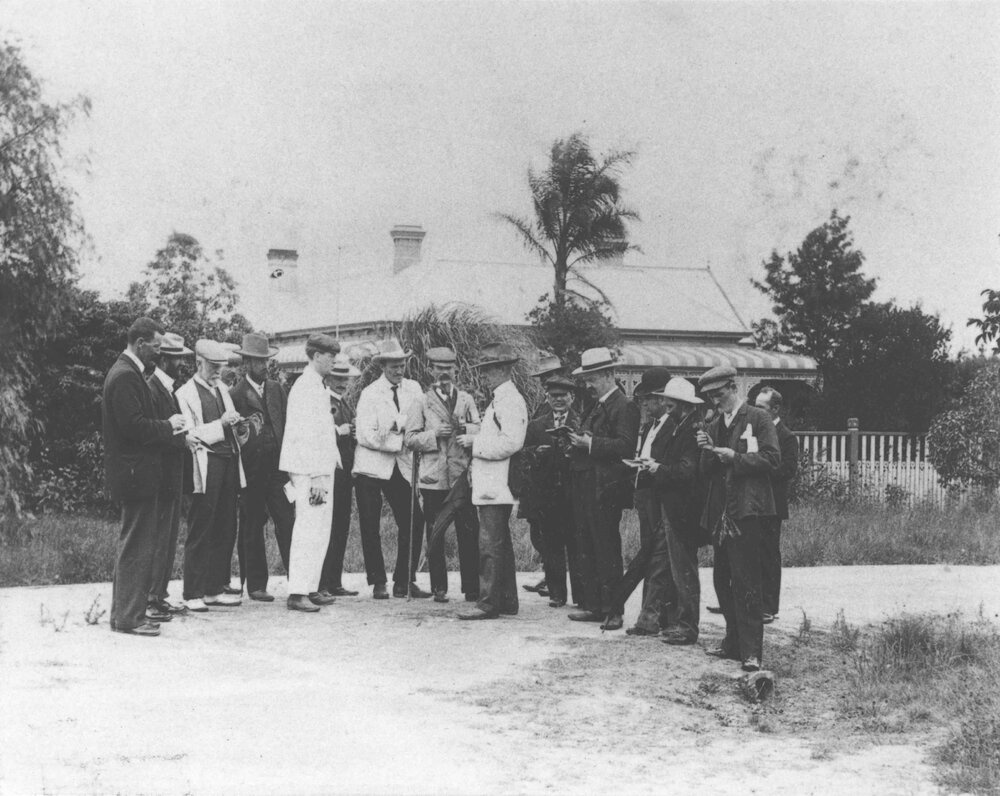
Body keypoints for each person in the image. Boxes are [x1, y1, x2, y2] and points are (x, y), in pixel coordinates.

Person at [103, 317, 188, 636]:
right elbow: (133, 427)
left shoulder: (127, 372)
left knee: (134, 544)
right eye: (156, 345)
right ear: (140, 344)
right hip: (136, 475)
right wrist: (170, 426)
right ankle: (129, 617)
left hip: (136, 473)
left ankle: (123, 614)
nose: (159, 351)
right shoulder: (126, 375)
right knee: (136, 546)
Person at [696, 366, 780, 673]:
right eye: (711, 398)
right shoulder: (716, 423)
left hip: (748, 510)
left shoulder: (759, 418)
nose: (716, 403)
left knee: (747, 581)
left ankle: (751, 651)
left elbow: (773, 459)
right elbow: (707, 471)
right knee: (722, 579)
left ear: (733, 388)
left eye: (719, 395)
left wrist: (737, 459)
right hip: (722, 512)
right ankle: (732, 641)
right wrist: (705, 450)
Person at [566, 347, 640, 631]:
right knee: (588, 546)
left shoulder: (625, 406)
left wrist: (590, 443)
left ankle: (614, 609)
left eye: (592, 378)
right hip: (587, 485)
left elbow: (625, 446)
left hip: (606, 489)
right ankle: (596, 605)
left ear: (609, 374)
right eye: (586, 379)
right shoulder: (597, 406)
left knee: (607, 548)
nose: (588, 385)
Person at [353, 338, 430, 599]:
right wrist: (399, 436)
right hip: (371, 469)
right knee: (370, 524)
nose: (399, 371)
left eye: (402, 365)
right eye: (394, 366)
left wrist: (399, 427)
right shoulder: (370, 393)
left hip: (401, 466)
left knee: (413, 519)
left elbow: (419, 421)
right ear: (383, 366)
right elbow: (366, 436)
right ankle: (378, 581)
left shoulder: (415, 389)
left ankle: (404, 580)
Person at [404, 347, 482, 603]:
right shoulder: (421, 402)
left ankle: (472, 587)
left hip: (461, 477)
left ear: (456, 370)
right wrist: (434, 436)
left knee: (468, 533)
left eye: (448, 368)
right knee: (435, 533)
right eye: (439, 368)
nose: (444, 373)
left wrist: (465, 428)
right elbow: (410, 439)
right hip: (433, 478)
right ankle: (439, 587)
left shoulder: (466, 399)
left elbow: (480, 429)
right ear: (430, 371)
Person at [457, 343, 528, 620]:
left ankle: (488, 603)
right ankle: (507, 601)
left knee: (490, 544)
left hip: (496, 484)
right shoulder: (501, 398)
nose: (483, 375)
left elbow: (512, 442)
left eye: (487, 370)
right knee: (500, 544)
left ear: (502, 369)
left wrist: (474, 442)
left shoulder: (508, 399)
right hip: (493, 484)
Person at [176, 340, 247, 612]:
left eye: (220, 367)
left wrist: (236, 421)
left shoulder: (223, 390)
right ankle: (193, 590)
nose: (217, 372)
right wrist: (222, 423)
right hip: (206, 464)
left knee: (226, 525)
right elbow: (190, 434)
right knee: (201, 526)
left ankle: (214, 588)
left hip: (228, 460)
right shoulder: (185, 393)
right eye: (213, 367)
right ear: (199, 364)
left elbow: (228, 423)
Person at [279, 333, 342, 612]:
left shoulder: (317, 385)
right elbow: (304, 436)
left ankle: (311, 586)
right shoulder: (305, 387)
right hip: (309, 470)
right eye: (330, 356)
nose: (334, 361)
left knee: (319, 531)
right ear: (317, 356)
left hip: (321, 469)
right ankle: (297, 591)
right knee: (307, 529)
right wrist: (316, 475)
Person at [229, 332, 294, 603]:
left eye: (265, 360)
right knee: (252, 525)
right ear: (246, 363)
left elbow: (287, 425)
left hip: (278, 469)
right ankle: (256, 584)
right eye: (257, 361)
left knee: (288, 522)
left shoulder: (277, 389)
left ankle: (299, 580)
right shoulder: (235, 394)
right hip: (252, 471)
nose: (263, 365)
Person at [145, 332, 196, 622]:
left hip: (172, 474)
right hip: (162, 475)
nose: (181, 364)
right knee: (159, 536)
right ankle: (151, 597)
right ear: (164, 359)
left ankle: (159, 594)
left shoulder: (167, 389)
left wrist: (184, 439)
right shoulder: (154, 389)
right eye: (177, 359)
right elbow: (157, 433)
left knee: (168, 537)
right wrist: (181, 440)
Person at [520, 374, 582, 608]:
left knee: (576, 546)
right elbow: (523, 455)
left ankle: (580, 594)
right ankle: (557, 593)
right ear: (547, 398)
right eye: (553, 396)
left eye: (562, 396)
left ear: (572, 398)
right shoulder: (537, 425)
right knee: (551, 545)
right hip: (547, 495)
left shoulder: (580, 422)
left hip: (573, 493)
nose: (558, 400)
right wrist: (537, 453)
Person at [650, 378, 704, 647]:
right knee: (677, 568)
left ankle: (687, 626)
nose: (665, 407)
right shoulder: (680, 427)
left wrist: (657, 469)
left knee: (684, 569)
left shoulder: (690, 431)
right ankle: (679, 622)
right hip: (674, 507)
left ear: (683, 405)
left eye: (670, 404)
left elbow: (686, 471)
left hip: (683, 511)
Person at [624, 367, 677, 636]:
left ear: (659, 398)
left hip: (661, 497)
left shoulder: (674, 426)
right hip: (646, 496)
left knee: (657, 558)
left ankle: (651, 617)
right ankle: (655, 615)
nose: (643, 404)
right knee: (651, 555)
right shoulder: (650, 426)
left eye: (647, 399)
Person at [318, 354, 362, 597]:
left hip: (345, 474)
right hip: (330, 473)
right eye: (337, 377)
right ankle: (323, 582)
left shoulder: (344, 403)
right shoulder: (324, 401)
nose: (342, 382)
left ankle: (334, 581)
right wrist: (339, 431)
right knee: (329, 527)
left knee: (341, 527)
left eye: (345, 378)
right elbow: (319, 433)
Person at [754, 386, 799, 623]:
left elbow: (788, 469)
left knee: (769, 554)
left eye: (761, 407)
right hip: (751, 501)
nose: (755, 411)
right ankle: (744, 601)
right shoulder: (752, 431)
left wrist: (759, 469)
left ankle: (769, 607)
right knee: (746, 552)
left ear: (775, 409)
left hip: (772, 504)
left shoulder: (787, 436)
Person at [521, 351, 564, 596]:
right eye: (543, 378)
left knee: (548, 533)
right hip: (538, 477)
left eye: (550, 376)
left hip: (552, 478)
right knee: (537, 530)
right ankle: (550, 576)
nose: (546, 381)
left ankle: (553, 578)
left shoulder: (562, 403)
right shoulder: (543, 404)